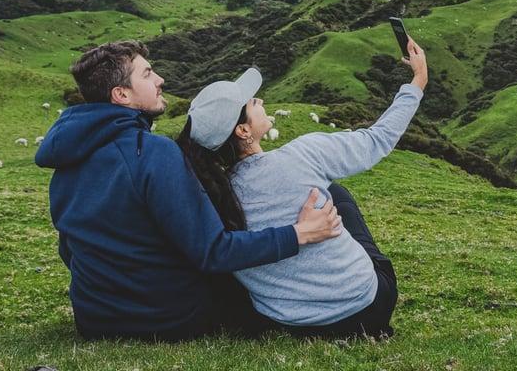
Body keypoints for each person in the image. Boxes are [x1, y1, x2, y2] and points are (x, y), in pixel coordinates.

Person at [34, 40, 343, 341]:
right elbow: (214, 252)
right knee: (336, 198)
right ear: (122, 94)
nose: (159, 79)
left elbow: (69, 250)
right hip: (169, 319)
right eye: (147, 74)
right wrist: (299, 233)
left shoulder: (66, 161)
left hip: (95, 320)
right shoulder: (153, 152)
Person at [176, 38, 428, 339]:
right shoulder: (303, 154)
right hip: (367, 308)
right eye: (250, 101)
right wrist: (418, 81)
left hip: (292, 324)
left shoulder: (214, 198)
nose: (257, 99)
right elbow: (377, 140)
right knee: (337, 195)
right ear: (243, 131)